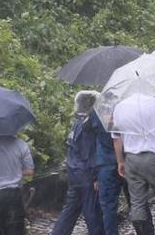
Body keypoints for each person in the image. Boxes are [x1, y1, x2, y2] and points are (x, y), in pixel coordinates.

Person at [112, 94, 155, 235]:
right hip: (153, 158)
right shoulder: (153, 103)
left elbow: (116, 140)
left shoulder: (119, 108)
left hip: (131, 159)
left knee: (137, 201)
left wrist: (120, 162)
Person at [51, 91, 104, 235]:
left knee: (71, 209)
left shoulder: (77, 123)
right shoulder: (87, 126)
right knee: (91, 210)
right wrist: (95, 176)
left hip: (73, 171)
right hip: (85, 173)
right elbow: (89, 154)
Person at [91, 106, 123, 235]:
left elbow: (91, 143)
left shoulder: (97, 110)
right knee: (137, 202)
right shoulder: (125, 108)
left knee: (108, 206)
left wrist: (94, 175)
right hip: (127, 159)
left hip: (105, 162)